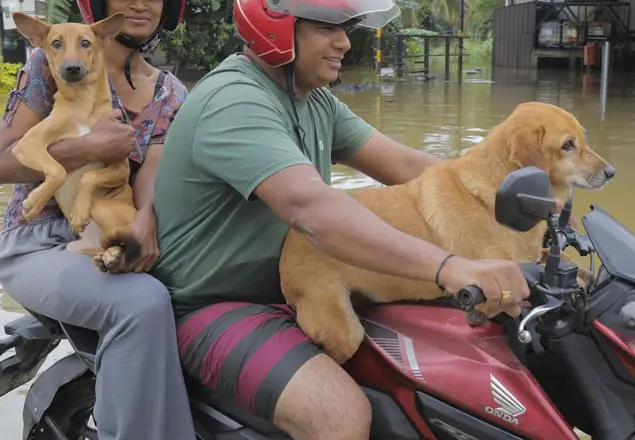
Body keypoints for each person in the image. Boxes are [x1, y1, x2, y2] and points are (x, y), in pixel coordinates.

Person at [151, 0, 530, 438]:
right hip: (216, 306)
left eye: (347, 28)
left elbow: (409, 166)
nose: (345, 43)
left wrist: (506, 200)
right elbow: (314, 212)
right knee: (339, 414)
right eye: (326, 28)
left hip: (291, 288)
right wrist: (449, 267)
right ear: (274, 25)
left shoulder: (313, 101)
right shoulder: (235, 100)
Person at [0, 0, 196, 439]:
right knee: (139, 301)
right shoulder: (51, 59)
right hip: (37, 241)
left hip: (117, 230)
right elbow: (1, 159)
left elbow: (154, 177)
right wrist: (88, 150)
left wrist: (146, 219)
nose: (141, 3)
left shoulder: (169, 93)